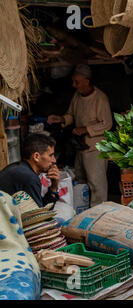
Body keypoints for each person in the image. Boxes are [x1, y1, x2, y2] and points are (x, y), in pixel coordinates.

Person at [47, 64, 112, 207]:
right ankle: (83, 213)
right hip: (81, 146)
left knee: (97, 185)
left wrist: (85, 129)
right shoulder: (77, 96)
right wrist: (62, 119)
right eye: (73, 81)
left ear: (87, 81)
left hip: (96, 148)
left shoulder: (100, 98)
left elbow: (107, 124)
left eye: (77, 82)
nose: (74, 85)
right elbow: (71, 114)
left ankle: (99, 214)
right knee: (81, 181)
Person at [0, 133, 59, 208]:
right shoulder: (29, 177)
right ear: (36, 157)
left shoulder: (21, 168)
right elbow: (38, 216)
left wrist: (54, 187)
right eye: (50, 155)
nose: (54, 160)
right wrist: (53, 189)